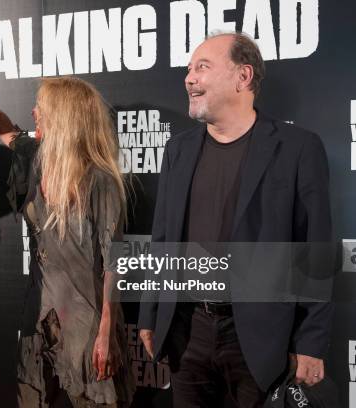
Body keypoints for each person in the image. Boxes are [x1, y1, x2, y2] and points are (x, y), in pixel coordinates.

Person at [137, 32, 334, 407]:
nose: (188, 78)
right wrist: (150, 312)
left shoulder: (298, 149)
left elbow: (315, 252)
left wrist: (310, 341)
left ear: (243, 77)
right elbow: (162, 239)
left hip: (261, 339)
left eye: (202, 67)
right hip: (186, 331)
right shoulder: (178, 149)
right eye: (189, 69)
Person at [0, 69, 135, 407]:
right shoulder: (37, 160)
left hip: (87, 320)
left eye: (40, 107)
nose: (34, 112)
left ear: (63, 117)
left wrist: (106, 331)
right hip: (40, 316)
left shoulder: (100, 180)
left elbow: (115, 261)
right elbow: (10, 135)